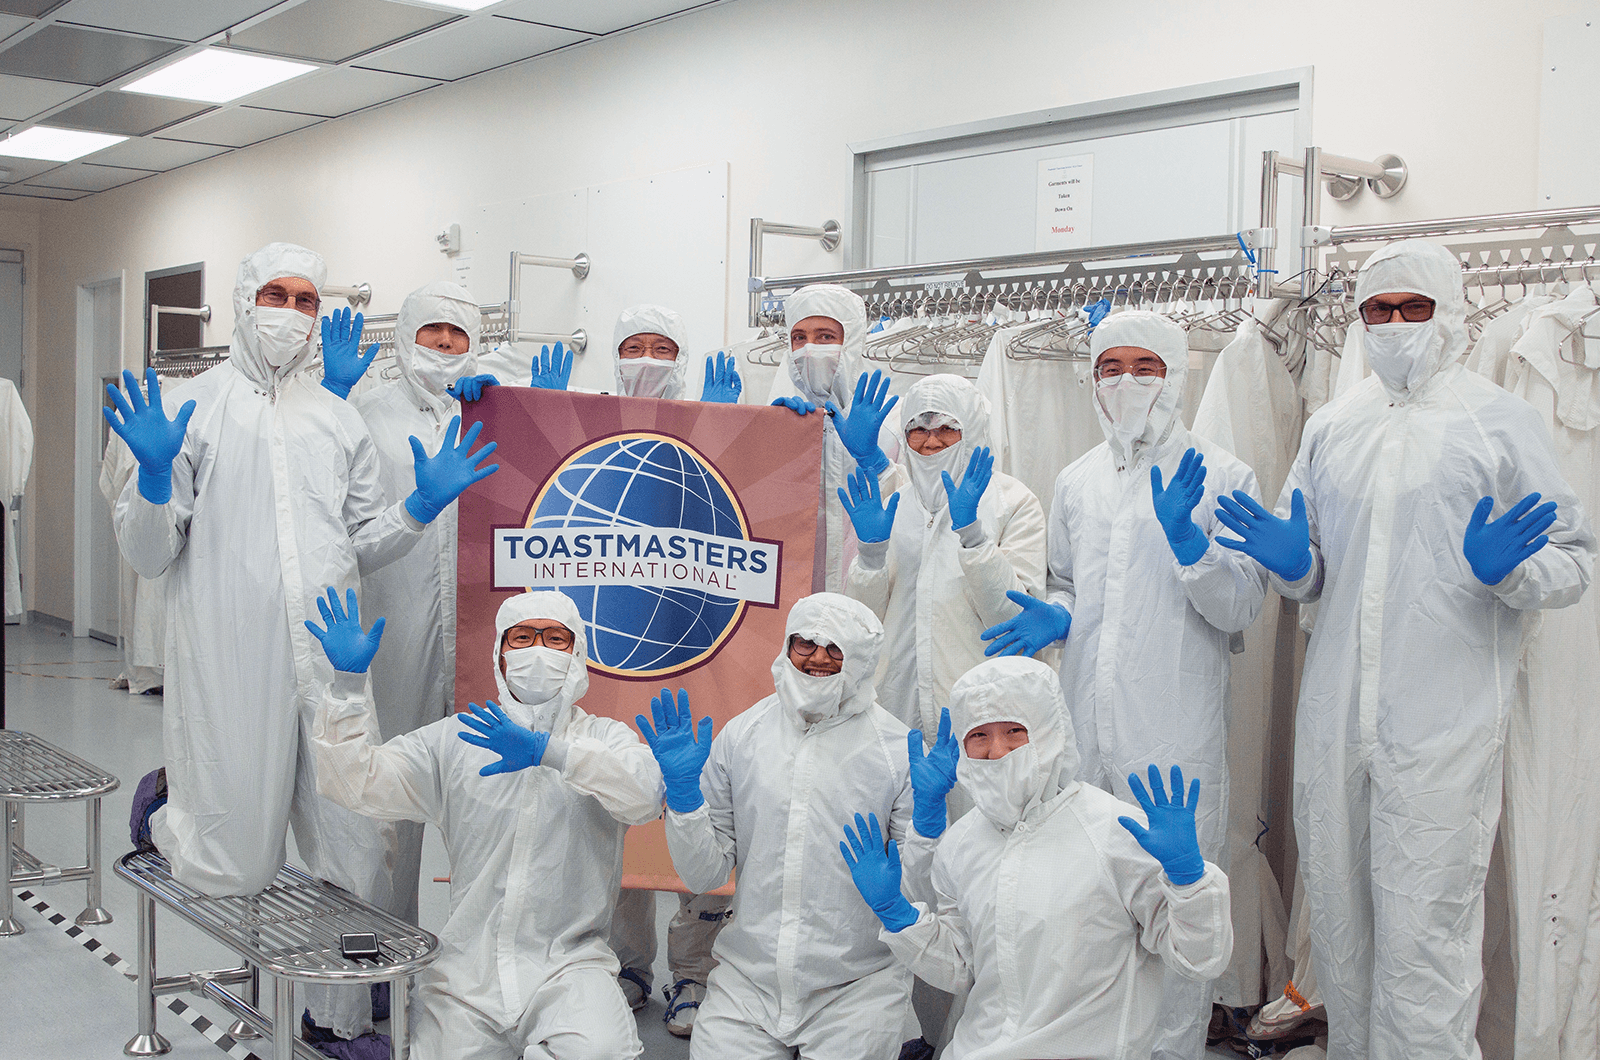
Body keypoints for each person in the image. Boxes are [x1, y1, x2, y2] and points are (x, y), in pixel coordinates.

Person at [1212, 239, 1597, 1060]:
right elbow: (1312, 568)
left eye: (1411, 309)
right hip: (1335, 716)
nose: (1392, 325)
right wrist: (1294, 567)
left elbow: (1574, 561)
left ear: (1450, 313)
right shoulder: (1332, 426)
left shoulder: (1499, 422)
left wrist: (1513, 572)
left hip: (1442, 726)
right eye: (1376, 311)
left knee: (1428, 937)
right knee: (1344, 934)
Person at [109, 243, 498, 1052]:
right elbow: (150, 554)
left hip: (330, 660)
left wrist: (419, 509)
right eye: (277, 294)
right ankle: (174, 808)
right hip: (228, 661)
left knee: (357, 839)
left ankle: (341, 1021)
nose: (291, 312)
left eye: (306, 299)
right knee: (236, 862)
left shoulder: (335, 415)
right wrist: (152, 476)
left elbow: (362, 542)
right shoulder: (193, 406)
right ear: (247, 299)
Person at [980, 310, 1266, 1060]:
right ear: (1093, 381)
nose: (1128, 381)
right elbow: (1075, 584)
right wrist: (1058, 614)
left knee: (1179, 899)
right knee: (1087, 902)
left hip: (1172, 734)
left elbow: (1240, 606)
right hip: (1084, 728)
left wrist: (1190, 541)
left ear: (1173, 375)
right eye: (1111, 367)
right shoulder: (1075, 480)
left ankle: (1172, 1050)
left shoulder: (1223, 474)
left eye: (1146, 366)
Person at [304, 587, 663, 1060]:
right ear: (499, 653)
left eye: (555, 638)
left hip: (568, 966)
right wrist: (347, 688)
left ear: (578, 655)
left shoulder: (602, 739)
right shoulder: (457, 740)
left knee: (605, 1052)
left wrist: (550, 753)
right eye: (522, 637)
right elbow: (353, 783)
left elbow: (644, 797)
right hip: (466, 972)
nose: (537, 648)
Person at [840, 656, 1234, 1060]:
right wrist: (897, 915)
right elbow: (962, 967)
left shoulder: (1115, 831)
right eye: (979, 735)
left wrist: (1189, 880)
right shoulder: (961, 844)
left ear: (1051, 730)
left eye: (1015, 730)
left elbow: (1199, 960)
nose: (998, 751)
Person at [643, 592, 936, 1059]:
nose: (817, 658)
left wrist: (924, 836)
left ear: (861, 659)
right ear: (787, 645)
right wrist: (684, 801)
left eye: (835, 648)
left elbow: (920, 890)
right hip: (749, 980)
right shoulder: (744, 735)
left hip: (856, 983)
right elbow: (705, 875)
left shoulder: (897, 750)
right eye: (805, 643)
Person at [597, 302, 740, 1034]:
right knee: (616, 811)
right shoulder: (589, 432)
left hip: (700, 651)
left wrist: (731, 434)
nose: (648, 359)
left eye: (663, 347)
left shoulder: (720, 434)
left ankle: (695, 972)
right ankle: (623, 966)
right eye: (633, 346)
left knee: (698, 810)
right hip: (609, 656)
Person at [344, 280, 494, 928]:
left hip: (484, 638)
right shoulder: (366, 417)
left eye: (455, 337)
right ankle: (383, 950)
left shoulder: (494, 413)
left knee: (491, 806)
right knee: (389, 804)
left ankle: (483, 959)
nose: (442, 346)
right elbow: (350, 537)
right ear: (406, 338)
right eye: (431, 333)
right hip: (394, 635)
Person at [841, 372, 1045, 746]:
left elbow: (1013, 621)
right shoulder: (893, 503)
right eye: (917, 428)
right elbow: (862, 624)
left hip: (983, 716)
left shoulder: (1012, 503)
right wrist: (869, 559)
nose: (931, 440)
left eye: (947, 427)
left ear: (972, 429)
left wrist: (973, 537)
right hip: (895, 708)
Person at [766, 285, 901, 592]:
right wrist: (766, 445)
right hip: (796, 604)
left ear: (851, 341)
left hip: (871, 596)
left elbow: (917, 512)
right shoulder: (781, 421)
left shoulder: (892, 424)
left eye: (825, 336)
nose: (810, 349)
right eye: (799, 338)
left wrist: (874, 460)